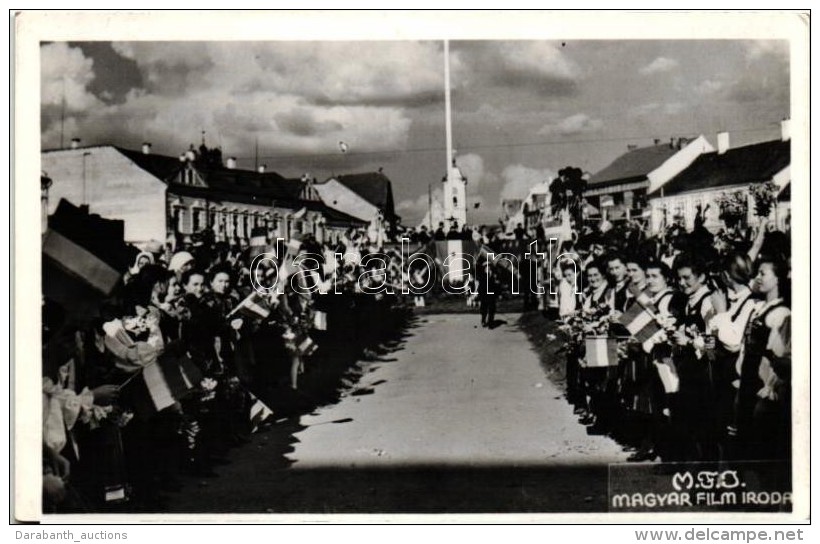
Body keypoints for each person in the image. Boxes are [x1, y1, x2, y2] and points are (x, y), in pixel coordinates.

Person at [475, 259, 498, 328]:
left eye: (489, 267)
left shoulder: (493, 275)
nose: (488, 268)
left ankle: (490, 323)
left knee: (492, 309)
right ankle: (483, 320)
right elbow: (480, 286)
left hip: (491, 295)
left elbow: (495, 286)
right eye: (486, 267)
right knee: (484, 309)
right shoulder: (482, 276)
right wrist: (479, 294)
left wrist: (497, 294)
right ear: (484, 268)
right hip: (484, 295)